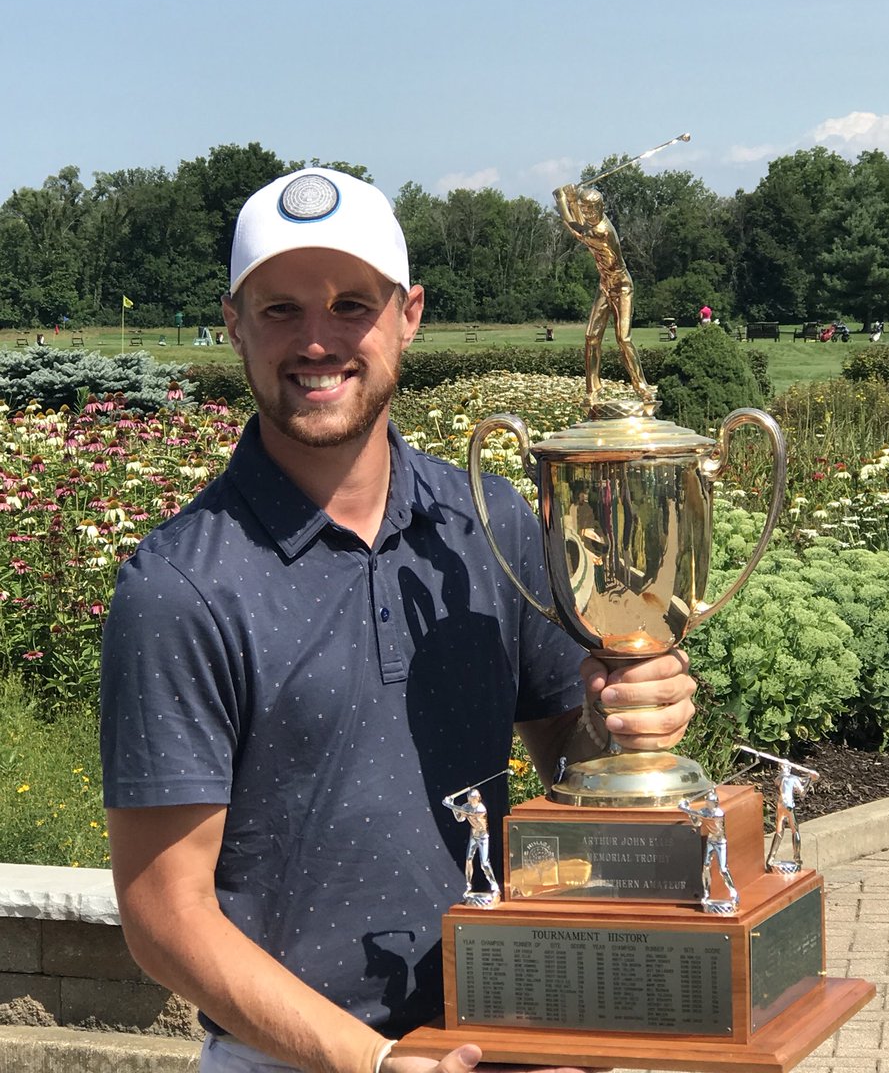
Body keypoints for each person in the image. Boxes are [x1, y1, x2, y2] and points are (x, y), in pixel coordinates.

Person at [101, 169, 696, 1073]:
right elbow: (163, 917)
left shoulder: (490, 525)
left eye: (351, 305)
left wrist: (625, 728)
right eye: (278, 310)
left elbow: (571, 767)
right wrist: (371, 1062)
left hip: (507, 1031)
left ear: (408, 314)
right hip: (296, 1057)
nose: (316, 341)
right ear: (232, 322)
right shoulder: (180, 585)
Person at [553, 184, 655, 407]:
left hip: (622, 286)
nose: (588, 214)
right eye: (584, 209)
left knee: (623, 338)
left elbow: (575, 228)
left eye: (591, 210)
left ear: (601, 208)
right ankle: (593, 389)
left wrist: (562, 200)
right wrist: (573, 200)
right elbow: (581, 222)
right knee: (591, 336)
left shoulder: (602, 231)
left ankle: (642, 387)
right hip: (605, 285)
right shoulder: (592, 221)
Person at [442, 787, 501, 903]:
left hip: (483, 837)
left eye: (474, 798)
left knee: (484, 863)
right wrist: (453, 807)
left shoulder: (481, 809)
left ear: (478, 799)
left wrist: (450, 805)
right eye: (470, 798)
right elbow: (460, 818)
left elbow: (468, 813)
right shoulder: (466, 806)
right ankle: (468, 885)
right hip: (473, 835)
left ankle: (495, 887)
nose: (472, 800)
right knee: (468, 859)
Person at [766, 759, 819, 871]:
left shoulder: (778, 779)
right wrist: (810, 779)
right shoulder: (791, 778)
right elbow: (802, 792)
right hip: (789, 805)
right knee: (795, 830)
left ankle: (770, 859)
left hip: (780, 805)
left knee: (779, 831)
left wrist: (809, 778)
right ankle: (797, 858)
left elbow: (790, 780)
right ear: (789, 768)